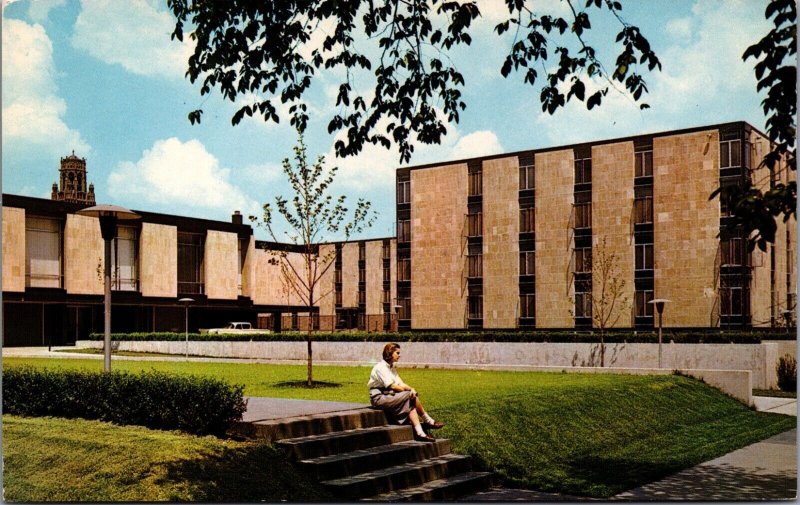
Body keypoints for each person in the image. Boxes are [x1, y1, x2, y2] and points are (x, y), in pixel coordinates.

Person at [368, 342, 444, 442]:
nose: (399, 355)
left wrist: (411, 389)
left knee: (410, 400)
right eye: (397, 353)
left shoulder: (391, 368)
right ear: (390, 353)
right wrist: (408, 392)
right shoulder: (380, 367)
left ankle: (420, 433)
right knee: (409, 396)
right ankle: (428, 421)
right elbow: (393, 386)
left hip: (388, 395)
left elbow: (401, 383)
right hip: (379, 398)